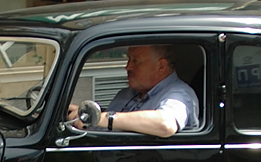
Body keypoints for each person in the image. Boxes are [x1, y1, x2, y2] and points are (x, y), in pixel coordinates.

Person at [70, 45, 199, 137]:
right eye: (128, 59)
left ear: (161, 66)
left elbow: (166, 124)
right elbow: (105, 127)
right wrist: (84, 116)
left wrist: (104, 118)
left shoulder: (179, 94)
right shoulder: (126, 94)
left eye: (136, 61)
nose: (127, 66)